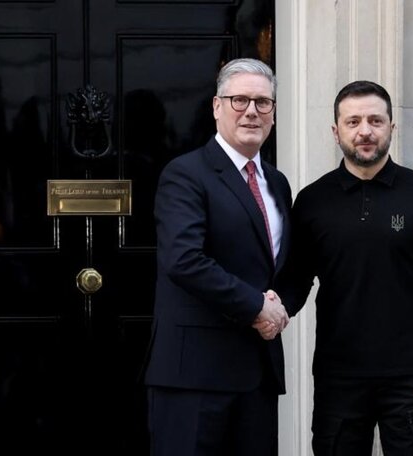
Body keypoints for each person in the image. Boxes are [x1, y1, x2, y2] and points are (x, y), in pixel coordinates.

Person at [271, 80, 413, 455]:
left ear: (392, 127)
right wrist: (269, 309)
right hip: (338, 376)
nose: (365, 131)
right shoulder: (312, 201)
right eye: (353, 121)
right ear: (336, 131)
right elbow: (296, 279)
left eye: (376, 121)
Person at [144, 57, 292, 456]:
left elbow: (280, 268)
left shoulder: (277, 183)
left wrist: (279, 308)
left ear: (274, 112)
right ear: (216, 106)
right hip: (194, 377)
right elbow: (184, 260)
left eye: (263, 102)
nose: (251, 111)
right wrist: (256, 307)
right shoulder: (186, 174)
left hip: (257, 373)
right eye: (239, 99)